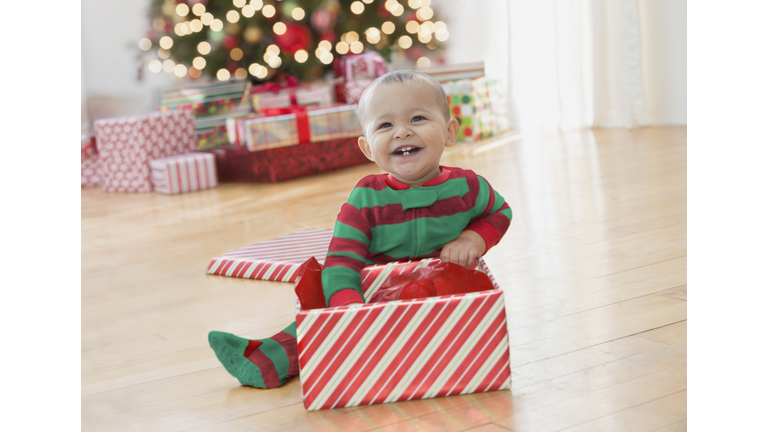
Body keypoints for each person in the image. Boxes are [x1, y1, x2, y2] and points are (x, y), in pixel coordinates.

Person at [208, 70, 512, 389]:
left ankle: (456, 360)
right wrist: (347, 305)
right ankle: (266, 361)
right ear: (367, 148)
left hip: (442, 293)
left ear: (450, 132)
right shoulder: (365, 198)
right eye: (385, 125)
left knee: (469, 307)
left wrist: (471, 238)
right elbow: (342, 259)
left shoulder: (468, 186)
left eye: (418, 118)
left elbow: (500, 212)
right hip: (376, 294)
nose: (402, 132)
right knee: (319, 313)